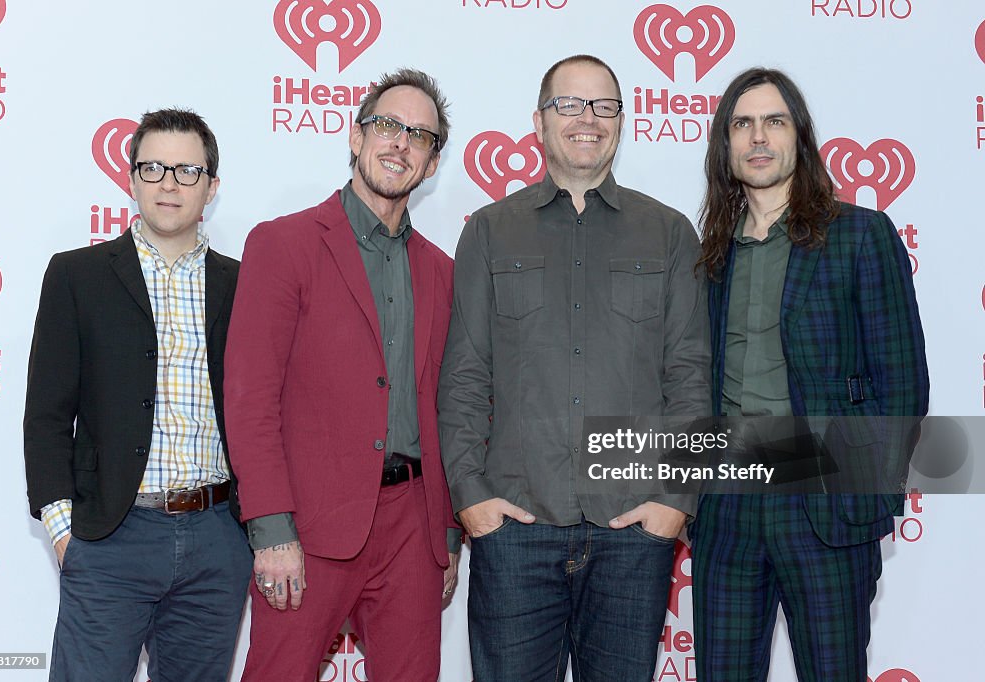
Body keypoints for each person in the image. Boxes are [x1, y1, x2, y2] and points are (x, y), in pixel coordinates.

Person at [438, 54, 710, 680]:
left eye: (604, 106)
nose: (588, 119)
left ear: (621, 121)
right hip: (515, 526)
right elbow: (464, 377)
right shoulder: (488, 231)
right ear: (539, 121)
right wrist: (471, 498)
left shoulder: (668, 233)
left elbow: (690, 375)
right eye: (570, 105)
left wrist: (675, 499)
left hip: (633, 529)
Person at [690, 67, 929, 681]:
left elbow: (903, 386)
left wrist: (861, 489)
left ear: (800, 135)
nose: (759, 137)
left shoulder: (858, 236)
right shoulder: (710, 253)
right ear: (725, 145)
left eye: (775, 121)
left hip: (823, 505)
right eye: (742, 124)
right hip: (727, 507)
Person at [224, 68, 460, 681]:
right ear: (356, 138)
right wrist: (271, 528)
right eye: (387, 125)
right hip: (307, 523)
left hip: (413, 526)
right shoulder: (283, 245)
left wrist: (446, 531)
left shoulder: (441, 271)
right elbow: (251, 400)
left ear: (431, 164)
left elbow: (449, 407)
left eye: (419, 136)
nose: (400, 143)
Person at [23, 108, 251, 681]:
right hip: (109, 537)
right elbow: (47, 414)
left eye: (187, 171)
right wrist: (63, 531)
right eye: (153, 168)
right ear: (130, 180)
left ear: (212, 187)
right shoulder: (77, 275)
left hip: (218, 537)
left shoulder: (245, 283)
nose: (169, 184)